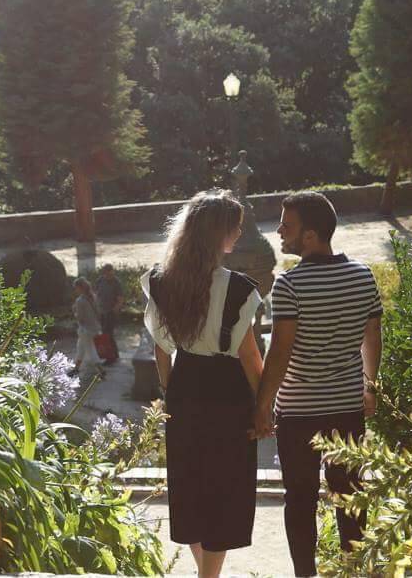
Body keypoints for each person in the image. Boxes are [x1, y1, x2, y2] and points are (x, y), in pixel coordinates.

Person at [253, 191, 383, 578]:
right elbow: (372, 335)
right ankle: (356, 570)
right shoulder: (363, 275)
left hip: (298, 412)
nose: (279, 231)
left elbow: (279, 353)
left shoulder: (289, 286)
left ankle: (305, 575)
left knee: (300, 500)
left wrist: (262, 405)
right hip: (346, 406)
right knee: (351, 496)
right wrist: (370, 386)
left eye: (286, 225)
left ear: (310, 236)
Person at [141, 189, 263, 578]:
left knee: (191, 485)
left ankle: (206, 575)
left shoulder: (161, 282)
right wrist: (263, 407)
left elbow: (161, 350)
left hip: (185, 385)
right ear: (220, 234)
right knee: (226, 488)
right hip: (227, 391)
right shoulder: (239, 289)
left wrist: (168, 390)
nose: (239, 235)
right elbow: (249, 357)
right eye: (236, 228)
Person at [71, 277, 104, 384]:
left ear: (80, 288)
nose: (75, 290)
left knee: (90, 350)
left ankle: (101, 370)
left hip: (85, 329)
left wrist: (74, 311)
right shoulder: (93, 297)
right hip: (94, 327)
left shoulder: (80, 301)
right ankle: (76, 368)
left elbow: (80, 318)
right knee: (80, 347)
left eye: (76, 288)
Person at [94, 264, 123, 361]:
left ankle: (111, 357)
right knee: (105, 334)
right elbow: (96, 295)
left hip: (111, 312)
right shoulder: (100, 281)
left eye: (110, 273)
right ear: (104, 273)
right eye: (107, 273)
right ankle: (113, 354)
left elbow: (120, 299)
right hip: (101, 311)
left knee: (108, 334)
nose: (109, 275)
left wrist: (114, 311)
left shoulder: (116, 282)